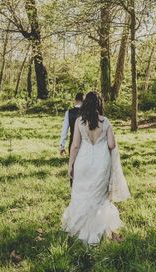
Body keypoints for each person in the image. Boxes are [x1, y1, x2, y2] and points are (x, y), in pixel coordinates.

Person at [62, 91, 130, 245]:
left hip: (83, 161)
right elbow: (112, 145)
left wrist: (71, 164)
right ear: (99, 104)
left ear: (85, 104)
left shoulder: (80, 121)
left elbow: (75, 146)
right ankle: (97, 230)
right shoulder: (105, 121)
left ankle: (79, 228)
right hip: (101, 162)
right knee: (99, 197)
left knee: (82, 194)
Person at [59, 92, 84, 157]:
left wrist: (62, 146)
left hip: (73, 144)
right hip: (85, 146)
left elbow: (64, 131)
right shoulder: (88, 112)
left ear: (75, 100)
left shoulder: (68, 113)